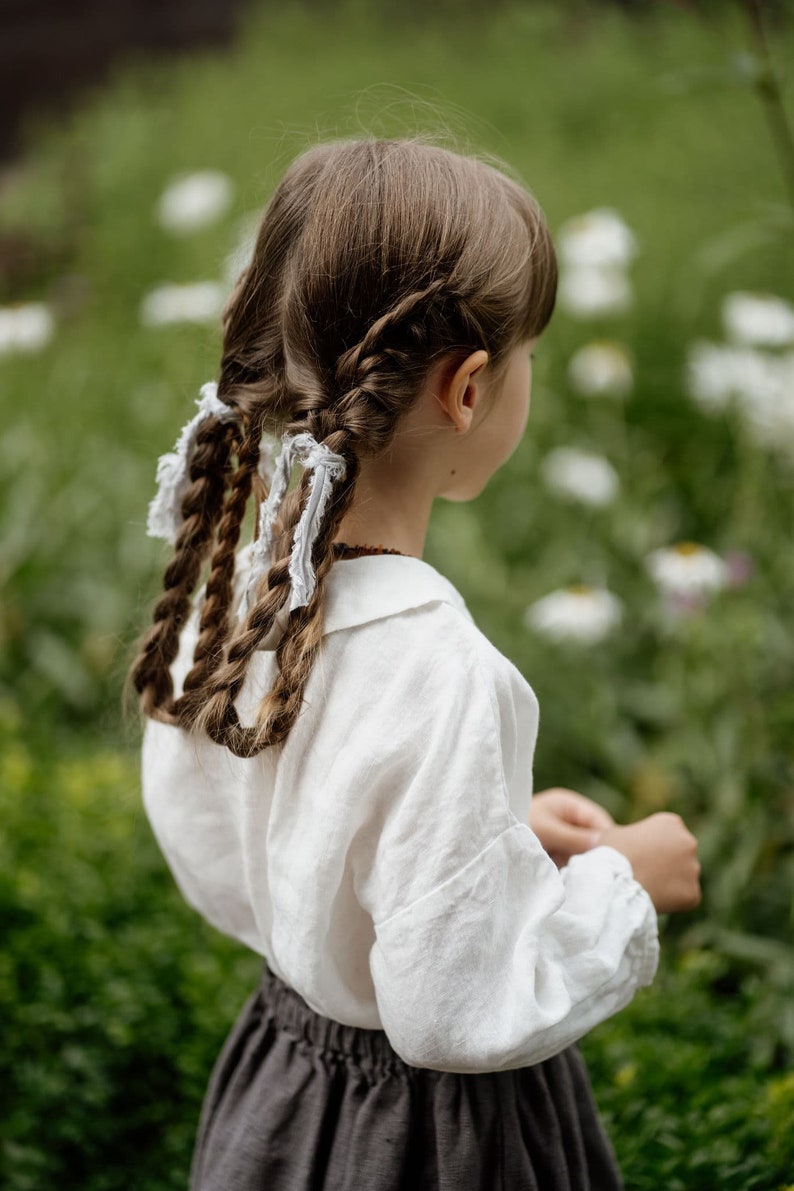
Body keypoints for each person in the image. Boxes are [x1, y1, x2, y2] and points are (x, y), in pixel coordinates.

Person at [130, 137, 701, 1190]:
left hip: (285, 1090)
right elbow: (451, 1009)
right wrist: (625, 879)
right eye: (524, 354)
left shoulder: (245, 603)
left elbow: (248, 835)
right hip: (429, 1143)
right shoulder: (439, 671)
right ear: (470, 388)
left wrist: (490, 840)